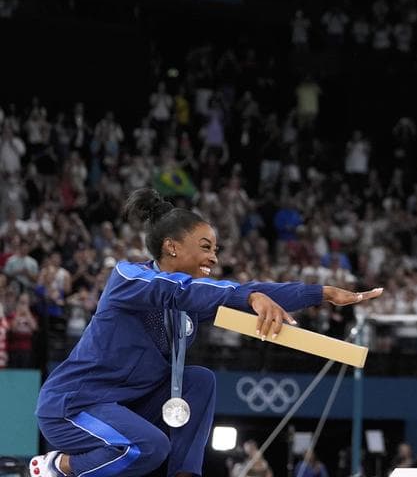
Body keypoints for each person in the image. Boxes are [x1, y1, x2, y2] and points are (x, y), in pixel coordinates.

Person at [30, 188, 384, 477]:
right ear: (171, 246)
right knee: (149, 447)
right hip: (73, 406)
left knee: (200, 381)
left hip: (125, 406)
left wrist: (320, 293)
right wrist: (250, 295)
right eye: (205, 247)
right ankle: (55, 466)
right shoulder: (126, 278)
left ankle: (185, 474)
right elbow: (180, 290)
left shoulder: (192, 301)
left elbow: (244, 289)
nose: (213, 257)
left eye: (215, 249)